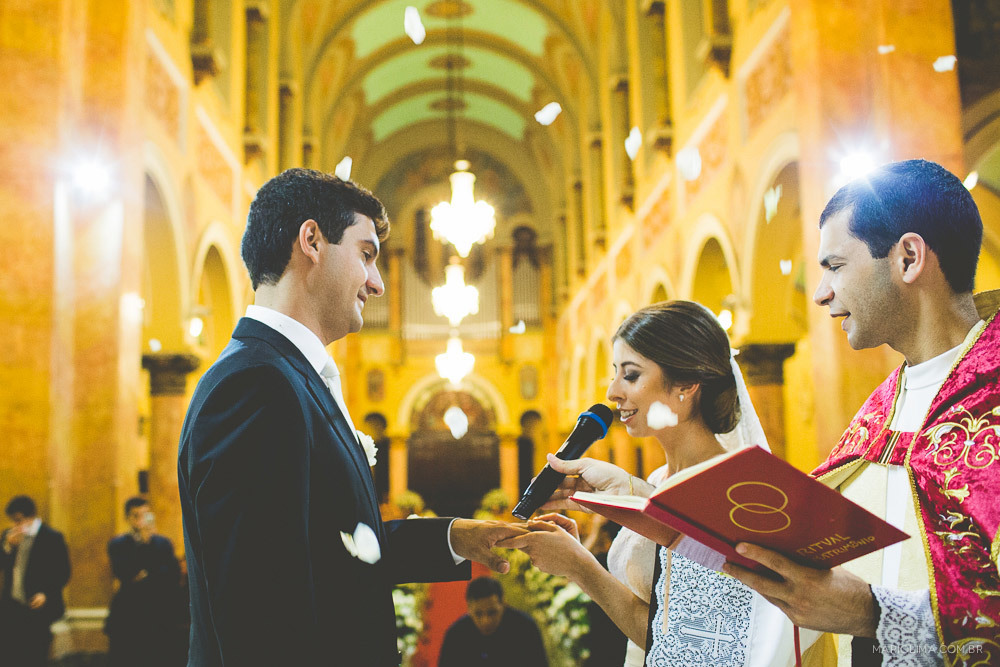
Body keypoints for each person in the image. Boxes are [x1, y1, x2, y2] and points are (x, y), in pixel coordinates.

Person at [178, 168, 524, 666]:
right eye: (366, 255)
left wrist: (454, 538)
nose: (378, 283)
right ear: (312, 241)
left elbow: (330, 548)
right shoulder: (255, 386)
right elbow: (259, 611)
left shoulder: (288, 376)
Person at [721, 159, 1000, 666]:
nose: (822, 292)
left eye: (835, 266)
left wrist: (873, 614)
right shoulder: (880, 416)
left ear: (909, 258)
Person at [499, 301, 833, 666]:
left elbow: (691, 646)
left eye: (630, 375)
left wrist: (581, 567)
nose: (612, 391)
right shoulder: (659, 479)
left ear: (686, 384)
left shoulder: (728, 491)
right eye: (615, 373)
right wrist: (627, 494)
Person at [105, 496, 182, 667]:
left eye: (145, 514)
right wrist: (144, 546)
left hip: (158, 611)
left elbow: (171, 575)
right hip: (129, 612)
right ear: (128, 518)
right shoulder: (118, 544)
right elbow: (125, 573)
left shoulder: (163, 543)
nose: (141, 520)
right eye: (136, 515)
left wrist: (146, 573)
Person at [0, 495, 71, 667]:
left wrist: (47, 593)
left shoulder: (51, 537)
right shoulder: (8, 536)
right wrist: (8, 547)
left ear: (30, 517)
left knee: (34, 655)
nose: (14, 525)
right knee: (9, 654)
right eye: (13, 521)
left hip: (37, 606)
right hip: (12, 605)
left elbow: (63, 572)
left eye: (18, 520)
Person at [438, 576, 548, 667]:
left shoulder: (525, 629)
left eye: (492, 612)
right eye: (478, 614)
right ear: (469, 608)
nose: (486, 621)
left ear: (504, 604)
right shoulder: (456, 634)